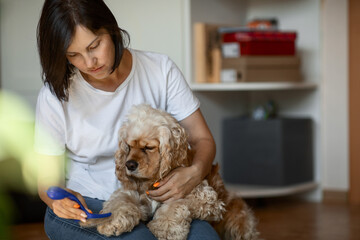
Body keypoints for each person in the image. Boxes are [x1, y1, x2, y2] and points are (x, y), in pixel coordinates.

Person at [35, 0, 218, 239]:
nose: (89, 63)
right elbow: (46, 183)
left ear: (111, 30)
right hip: (91, 204)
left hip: (156, 198)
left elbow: (202, 138)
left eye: (95, 46)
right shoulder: (55, 95)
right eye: (74, 55)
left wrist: (195, 172)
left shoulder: (160, 70)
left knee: (205, 237)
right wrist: (56, 201)